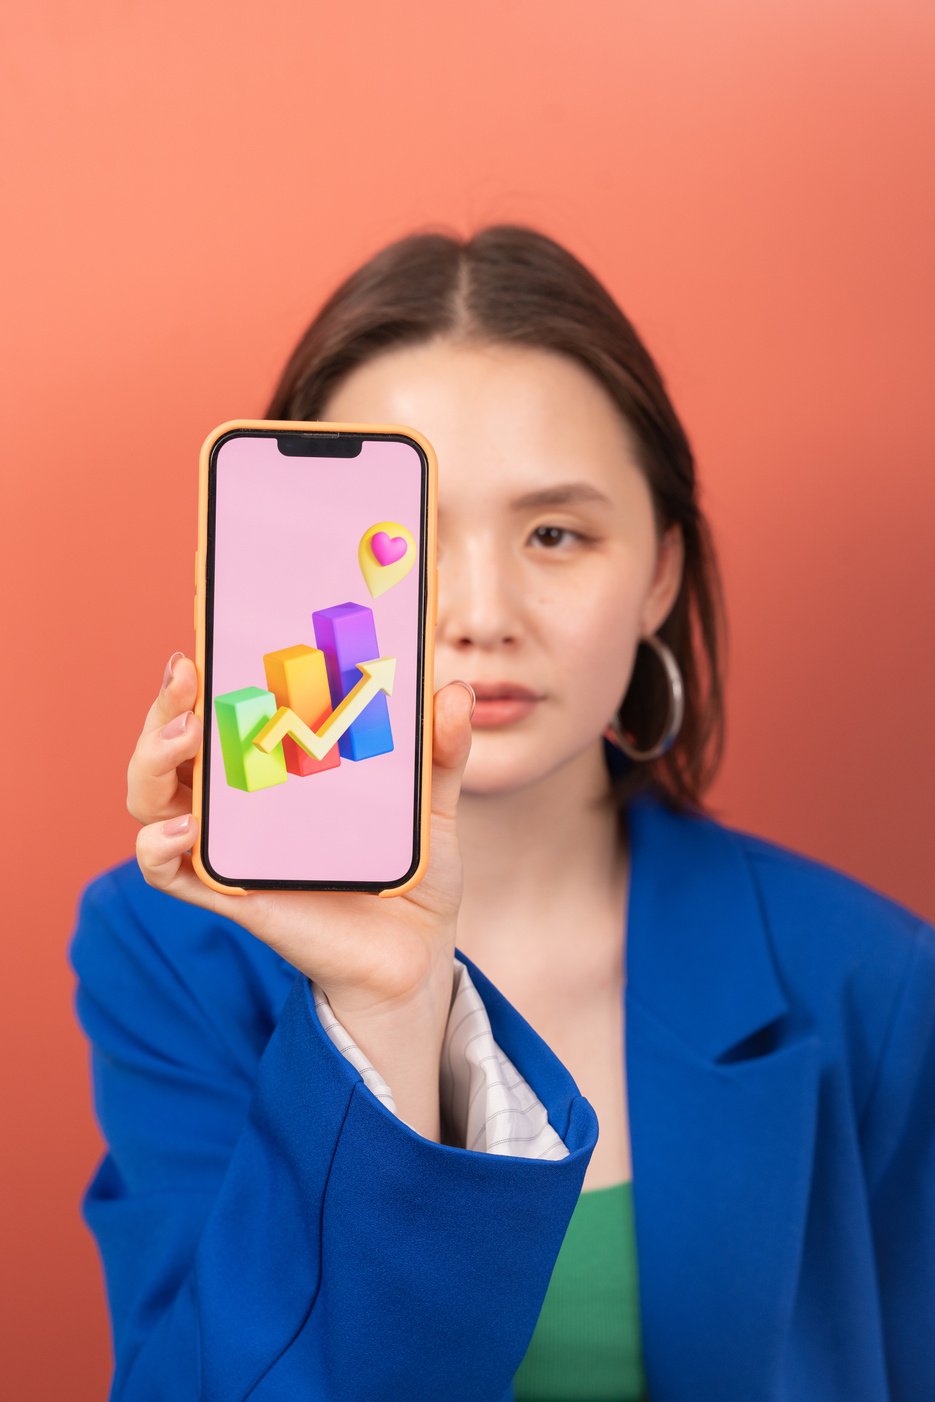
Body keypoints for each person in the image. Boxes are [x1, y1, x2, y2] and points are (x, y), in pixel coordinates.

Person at [69, 224, 935, 1402]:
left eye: (553, 534)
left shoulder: (871, 979)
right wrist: (384, 1017)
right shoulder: (164, 953)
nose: (479, 612)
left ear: (661, 573)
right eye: (403, 536)